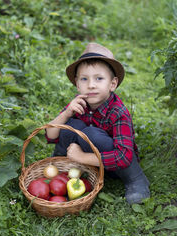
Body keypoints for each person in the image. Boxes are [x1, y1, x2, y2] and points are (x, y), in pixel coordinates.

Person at [45, 42, 150, 204]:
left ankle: (135, 179)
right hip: (92, 162)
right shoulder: (78, 103)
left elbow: (124, 156)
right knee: (67, 127)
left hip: (117, 165)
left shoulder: (118, 112)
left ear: (112, 84)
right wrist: (66, 113)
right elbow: (50, 134)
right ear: (77, 84)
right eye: (84, 79)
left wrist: (82, 157)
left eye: (99, 78)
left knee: (91, 134)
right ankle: (63, 169)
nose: (91, 85)